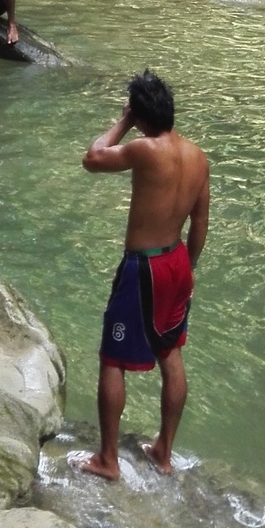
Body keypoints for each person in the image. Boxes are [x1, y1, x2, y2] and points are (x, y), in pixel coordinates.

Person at [80, 69, 209, 478]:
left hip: (145, 267)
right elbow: (200, 224)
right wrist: (188, 269)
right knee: (170, 353)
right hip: (177, 263)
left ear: (141, 115)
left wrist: (122, 120)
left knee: (112, 358)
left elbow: (93, 157)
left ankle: (108, 459)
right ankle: (164, 452)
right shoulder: (198, 157)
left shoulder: (144, 149)